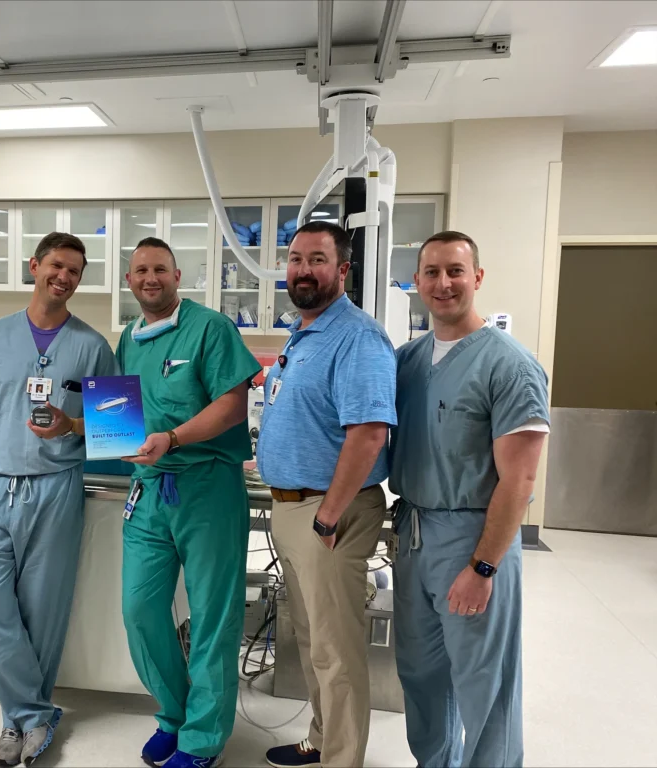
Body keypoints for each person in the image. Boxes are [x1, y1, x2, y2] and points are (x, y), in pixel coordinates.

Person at [388, 231, 549, 768]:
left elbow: (519, 481)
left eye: (455, 270)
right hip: (412, 532)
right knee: (420, 671)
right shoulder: (407, 361)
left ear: (477, 277)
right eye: (431, 272)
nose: (443, 283)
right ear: (415, 283)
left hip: (474, 536)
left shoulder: (509, 365)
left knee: (484, 679)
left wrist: (483, 566)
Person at [0, 232, 119, 767]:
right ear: (34, 266)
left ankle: (15, 722)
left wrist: (69, 425)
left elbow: (114, 427)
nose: (64, 277)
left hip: (56, 489)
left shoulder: (93, 346)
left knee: (43, 613)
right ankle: (35, 712)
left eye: (75, 270)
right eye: (56, 265)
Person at [256, 222, 397, 768]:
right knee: (314, 640)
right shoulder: (306, 330)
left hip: (328, 512)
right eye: (295, 260)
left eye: (317, 260)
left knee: (336, 652)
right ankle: (320, 739)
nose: (302, 270)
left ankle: (342, 760)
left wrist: (328, 517)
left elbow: (368, 434)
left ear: (343, 270)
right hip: (296, 506)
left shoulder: (357, 336)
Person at [117, 237, 260, 768]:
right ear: (129, 281)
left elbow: (231, 404)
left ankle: (202, 738)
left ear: (178, 275)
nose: (150, 278)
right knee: (139, 609)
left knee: (213, 616)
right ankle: (175, 713)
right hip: (150, 491)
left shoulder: (210, 329)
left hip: (206, 488)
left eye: (160, 269)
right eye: (140, 271)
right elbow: (123, 413)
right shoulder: (129, 338)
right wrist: (77, 427)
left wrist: (173, 439)